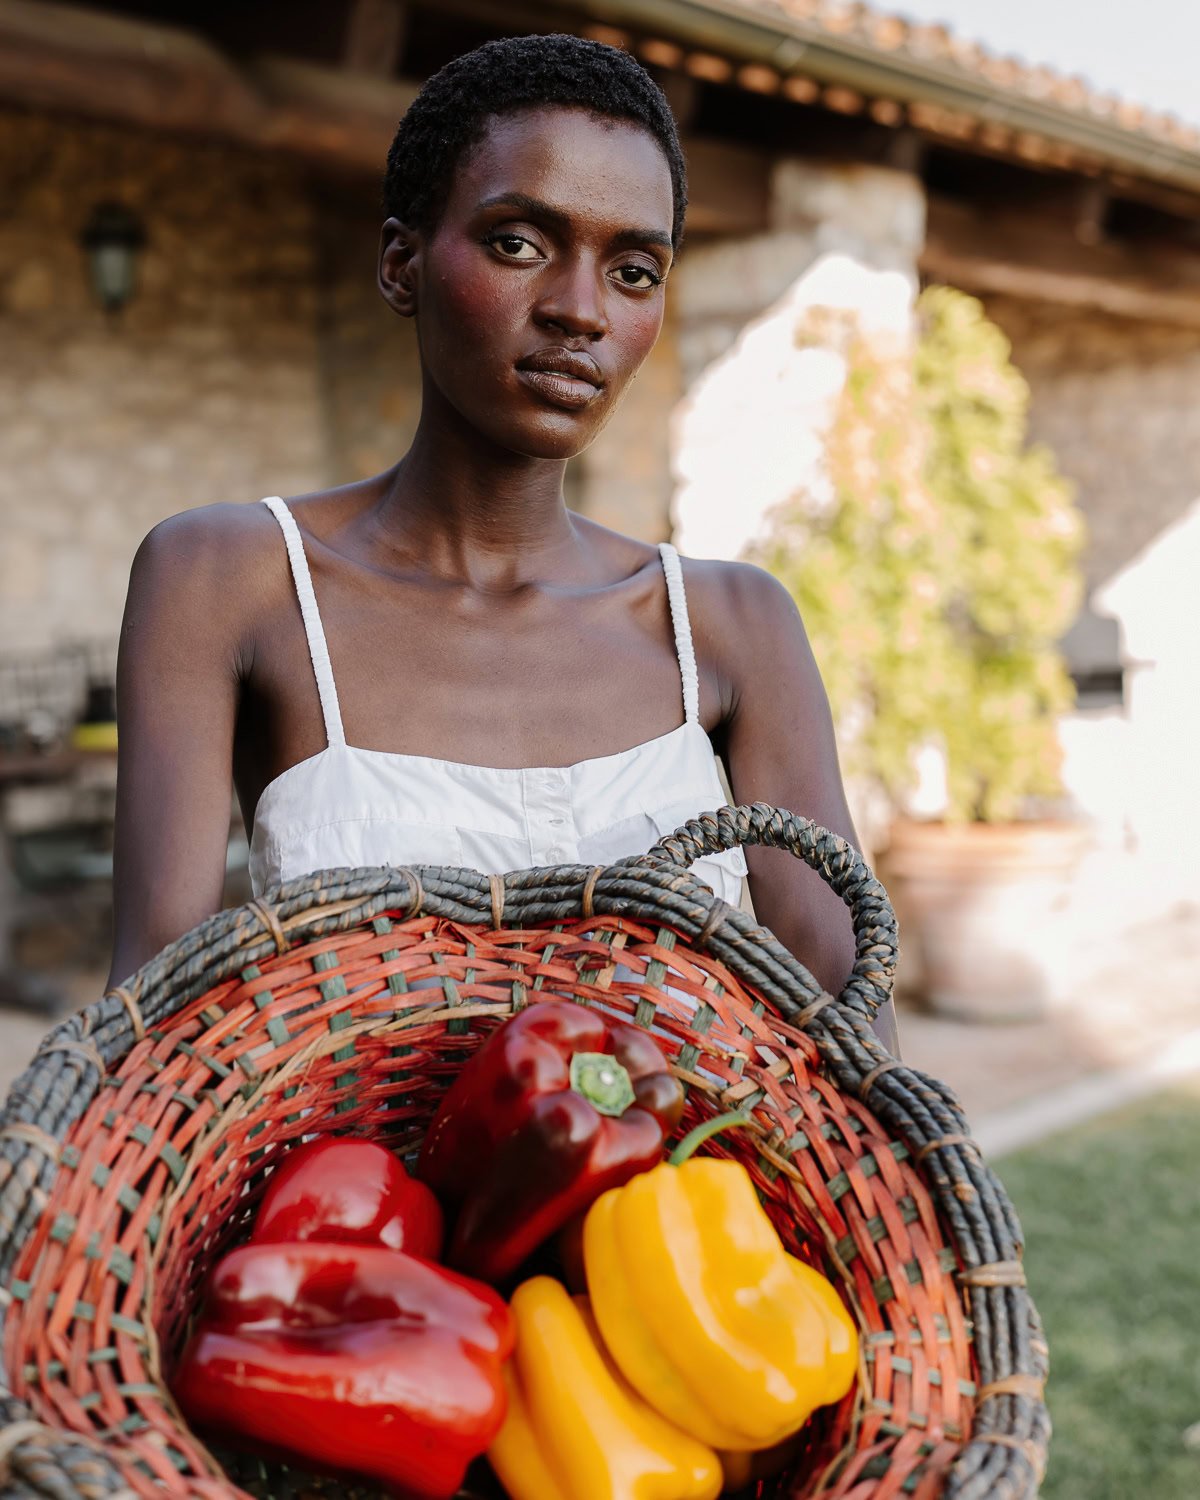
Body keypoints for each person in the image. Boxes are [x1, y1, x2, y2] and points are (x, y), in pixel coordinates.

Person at [105, 34, 898, 1052]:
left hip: (685, 1205)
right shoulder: (230, 578)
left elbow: (854, 1024)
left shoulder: (732, 626)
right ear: (403, 264)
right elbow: (148, 1019)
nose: (580, 310)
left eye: (634, 269)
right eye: (519, 243)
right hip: (351, 1212)